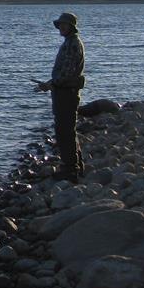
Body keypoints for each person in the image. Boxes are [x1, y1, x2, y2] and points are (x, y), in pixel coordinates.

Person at [35, 12, 86, 182]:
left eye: (64, 24)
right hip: (64, 91)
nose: (61, 27)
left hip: (66, 94)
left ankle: (71, 169)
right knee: (67, 130)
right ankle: (75, 165)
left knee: (64, 131)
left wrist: (50, 84)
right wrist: (50, 84)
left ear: (71, 26)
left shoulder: (72, 44)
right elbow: (64, 73)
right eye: (60, 24)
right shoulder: (70, 42)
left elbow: (66, 73)